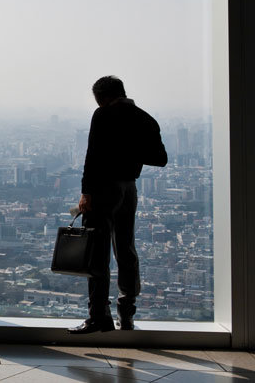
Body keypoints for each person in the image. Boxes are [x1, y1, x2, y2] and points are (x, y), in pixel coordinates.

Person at [68, 75, 167, 335]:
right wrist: (131, 150)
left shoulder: (102, 116)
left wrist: (85, 193)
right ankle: (127, 312)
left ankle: (98, 317)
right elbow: (160, 158)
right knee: (125, 248)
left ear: (103, 97)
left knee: (97, 252)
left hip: (102, 189)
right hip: (129, 188)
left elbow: (92, 157)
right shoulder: (145, 118)